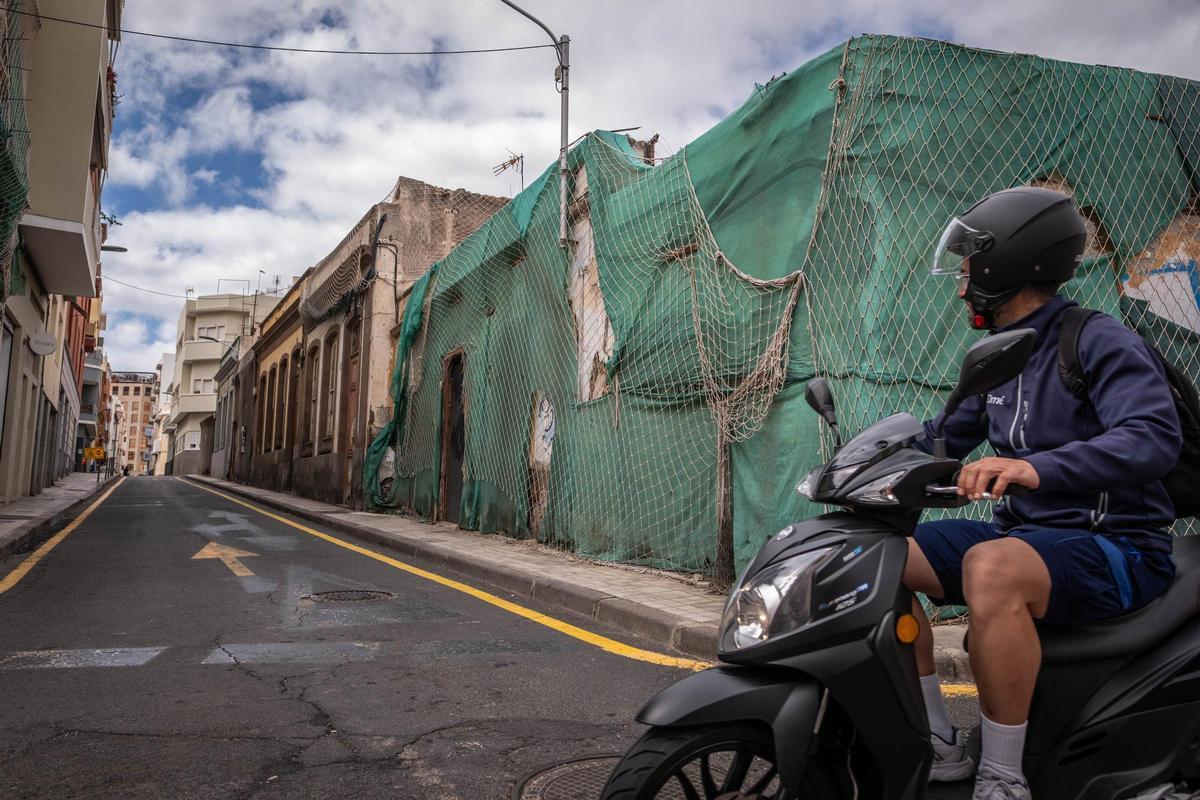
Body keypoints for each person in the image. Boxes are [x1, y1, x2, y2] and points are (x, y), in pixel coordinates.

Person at [906, 187, 1181, 799]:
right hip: (1025, 537)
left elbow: (1152, 436)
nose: (960, 286)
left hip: (1118, 546)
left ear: (1006, 263)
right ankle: (938, 741)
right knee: (880, 558)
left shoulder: (1097, 340)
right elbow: (943, 438)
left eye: (969, 267)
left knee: (990, 567)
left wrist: (1036, 469)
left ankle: (1004, 775)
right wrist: (865, 461)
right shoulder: (998, 356)